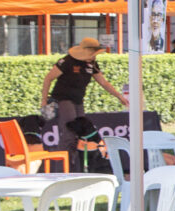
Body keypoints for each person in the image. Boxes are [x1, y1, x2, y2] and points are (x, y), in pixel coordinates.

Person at [40, 37, 129, 171]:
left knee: (82, 134)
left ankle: (77, 167)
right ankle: (62, 169)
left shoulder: (92, 65)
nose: (93, 58)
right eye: (91, 55)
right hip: (63, 99)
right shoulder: (67, 62)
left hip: (78, 100)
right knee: (69, 133)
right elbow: (48, 78)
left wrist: (119, 96)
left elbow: (104, 82)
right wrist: (44, 100)